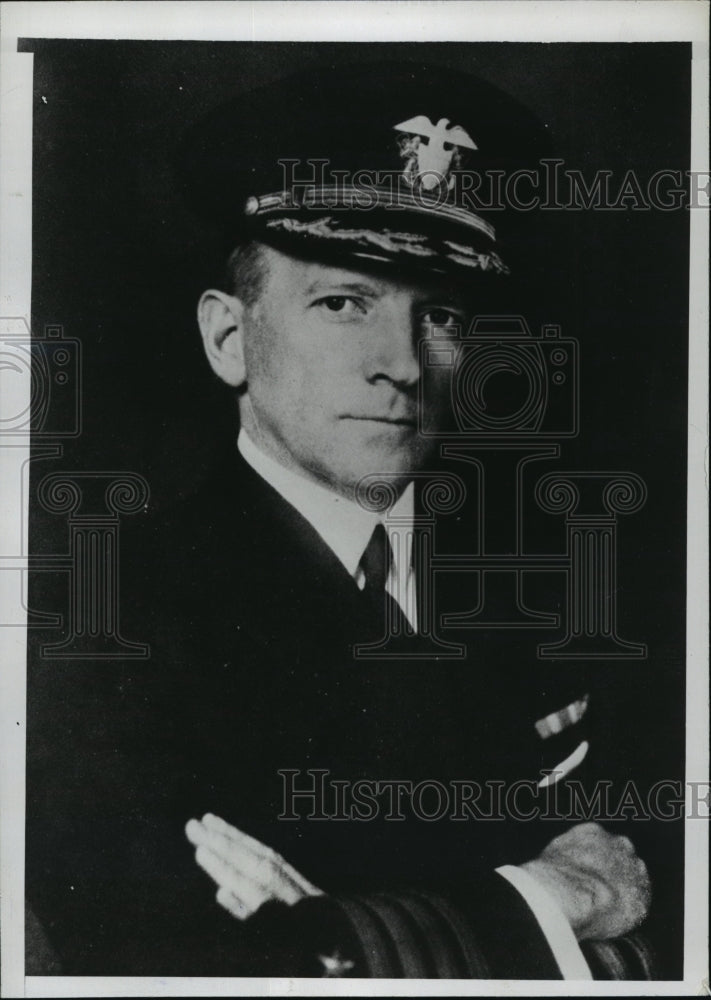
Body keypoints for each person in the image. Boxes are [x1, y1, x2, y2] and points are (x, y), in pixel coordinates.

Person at [25, 59, 654, 979]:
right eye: (343, 302)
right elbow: (182, 961)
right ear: (228, 338)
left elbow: (665, 912)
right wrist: (553, 898)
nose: (399, 362)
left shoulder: (558, 589)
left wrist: (342, 923)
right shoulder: (100, 616)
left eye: (437, 314)